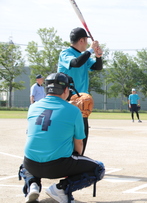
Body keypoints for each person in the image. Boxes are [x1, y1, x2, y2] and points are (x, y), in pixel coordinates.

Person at [18, 73, 105, 203]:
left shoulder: (33, 107)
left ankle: (32, 184)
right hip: (58, 166)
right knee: (99, 168)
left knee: (25, 163)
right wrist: (73, 165)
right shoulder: (74, 110)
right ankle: (61, 189)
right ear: (66, 90)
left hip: (31, 165)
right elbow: (79, 144)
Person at [58, 27, 103, 155]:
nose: (88, 44)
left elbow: (96, 67)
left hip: (81, 99)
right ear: (82, 40)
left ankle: (79, 158)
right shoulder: (65, 53)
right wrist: (90, 50)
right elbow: (76, 63)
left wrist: (98, 56)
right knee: (68, 130)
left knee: (82, 131)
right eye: (87, 41)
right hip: (67, 97)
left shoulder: (84, 56)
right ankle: (65, 158)